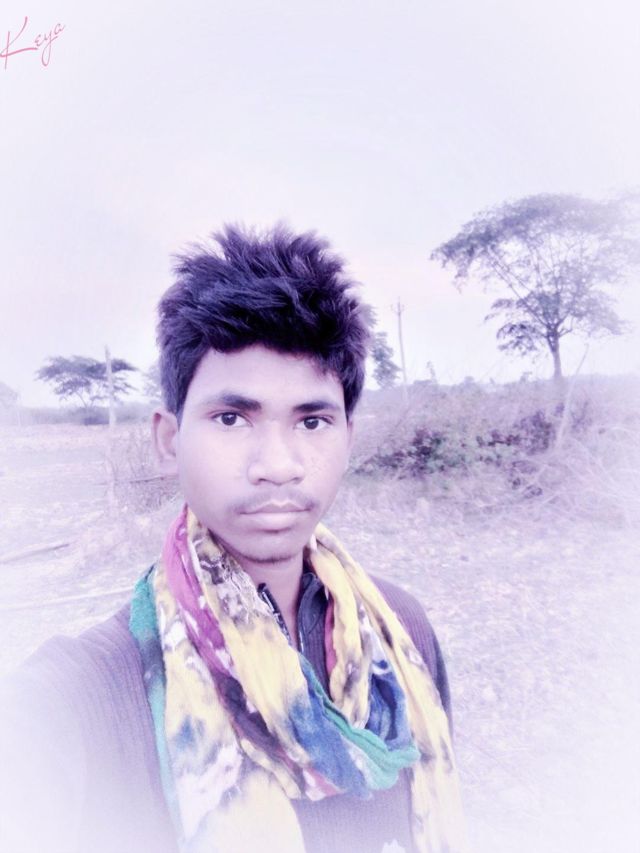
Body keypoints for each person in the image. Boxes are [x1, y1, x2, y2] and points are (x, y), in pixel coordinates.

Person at [0, 225, 465, 853]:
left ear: (348, 438)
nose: (277, 464)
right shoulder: (79, 697)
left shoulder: (403, 632)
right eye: (231, 418)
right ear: (169, 440)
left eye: (312, 421)